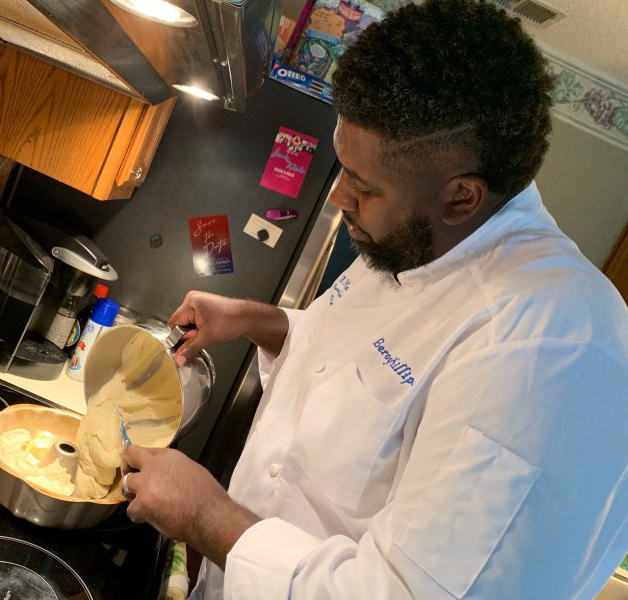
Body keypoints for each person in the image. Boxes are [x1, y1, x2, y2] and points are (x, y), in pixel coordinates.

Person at [120, 1, 628, 598]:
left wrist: (208, 518)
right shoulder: (424, 234)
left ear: (462, 196)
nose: (338, 196)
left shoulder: (548, 349)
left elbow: (407, 594)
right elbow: (366, 368)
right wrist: (261, 322)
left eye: (362, 187)